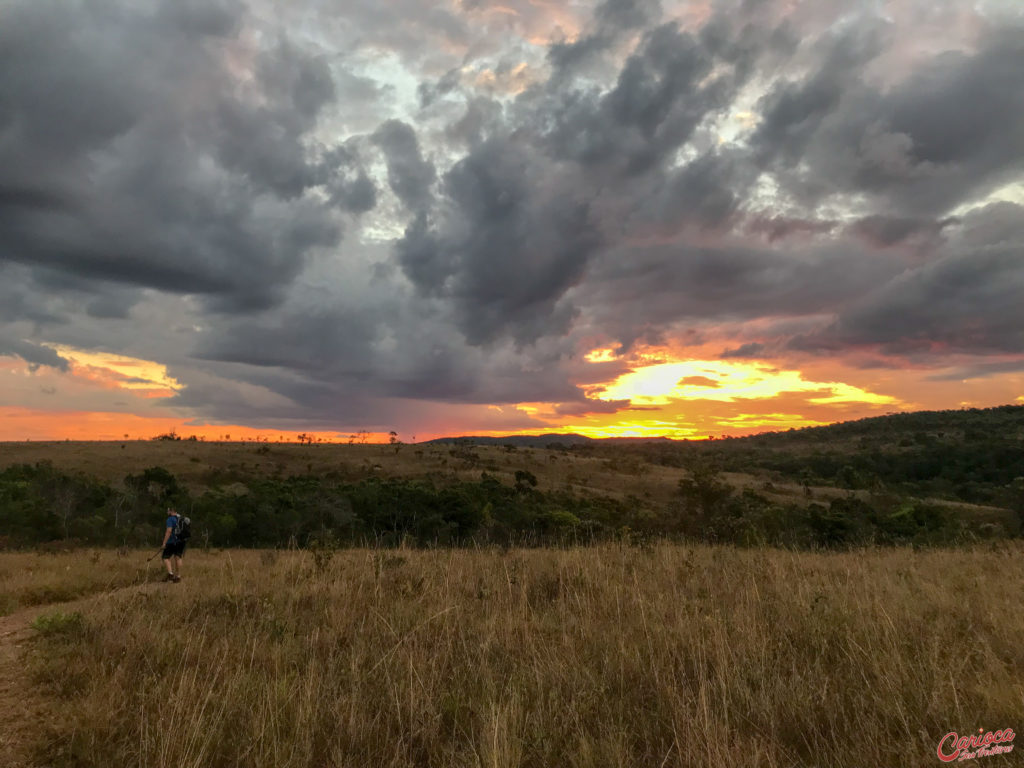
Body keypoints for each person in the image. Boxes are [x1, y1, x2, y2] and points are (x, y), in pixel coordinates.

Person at [161, 507, 185, 582]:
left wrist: (164, 542)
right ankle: (178, 576)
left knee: (165, 557)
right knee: (178, 558)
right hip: (181, 541)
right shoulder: (181, 519)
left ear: (171, 511)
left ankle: (170, 574)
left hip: (172, 541)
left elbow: (169, 531)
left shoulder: (170, 519)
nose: (167, 512)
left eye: (168, 510)